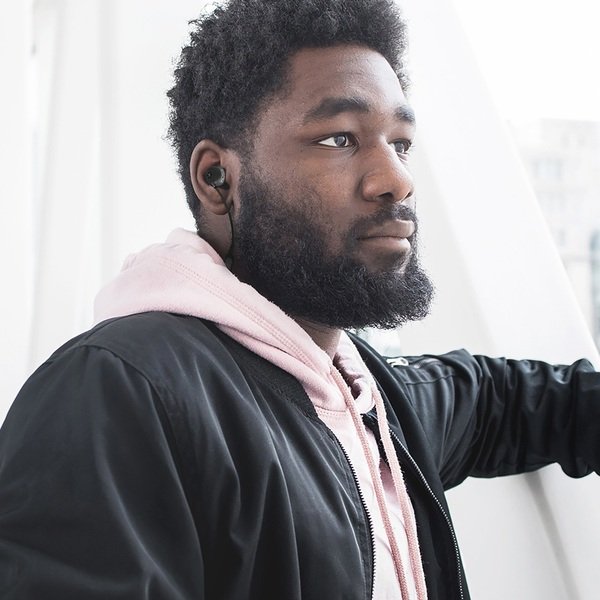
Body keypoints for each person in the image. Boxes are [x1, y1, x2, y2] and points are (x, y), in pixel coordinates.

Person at [1, 0, 599, 598]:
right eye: (340, 139)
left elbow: (502, 400)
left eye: (401, 143)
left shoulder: (367, 400)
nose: (396, 180)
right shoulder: (118, 394)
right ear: (216, 178)